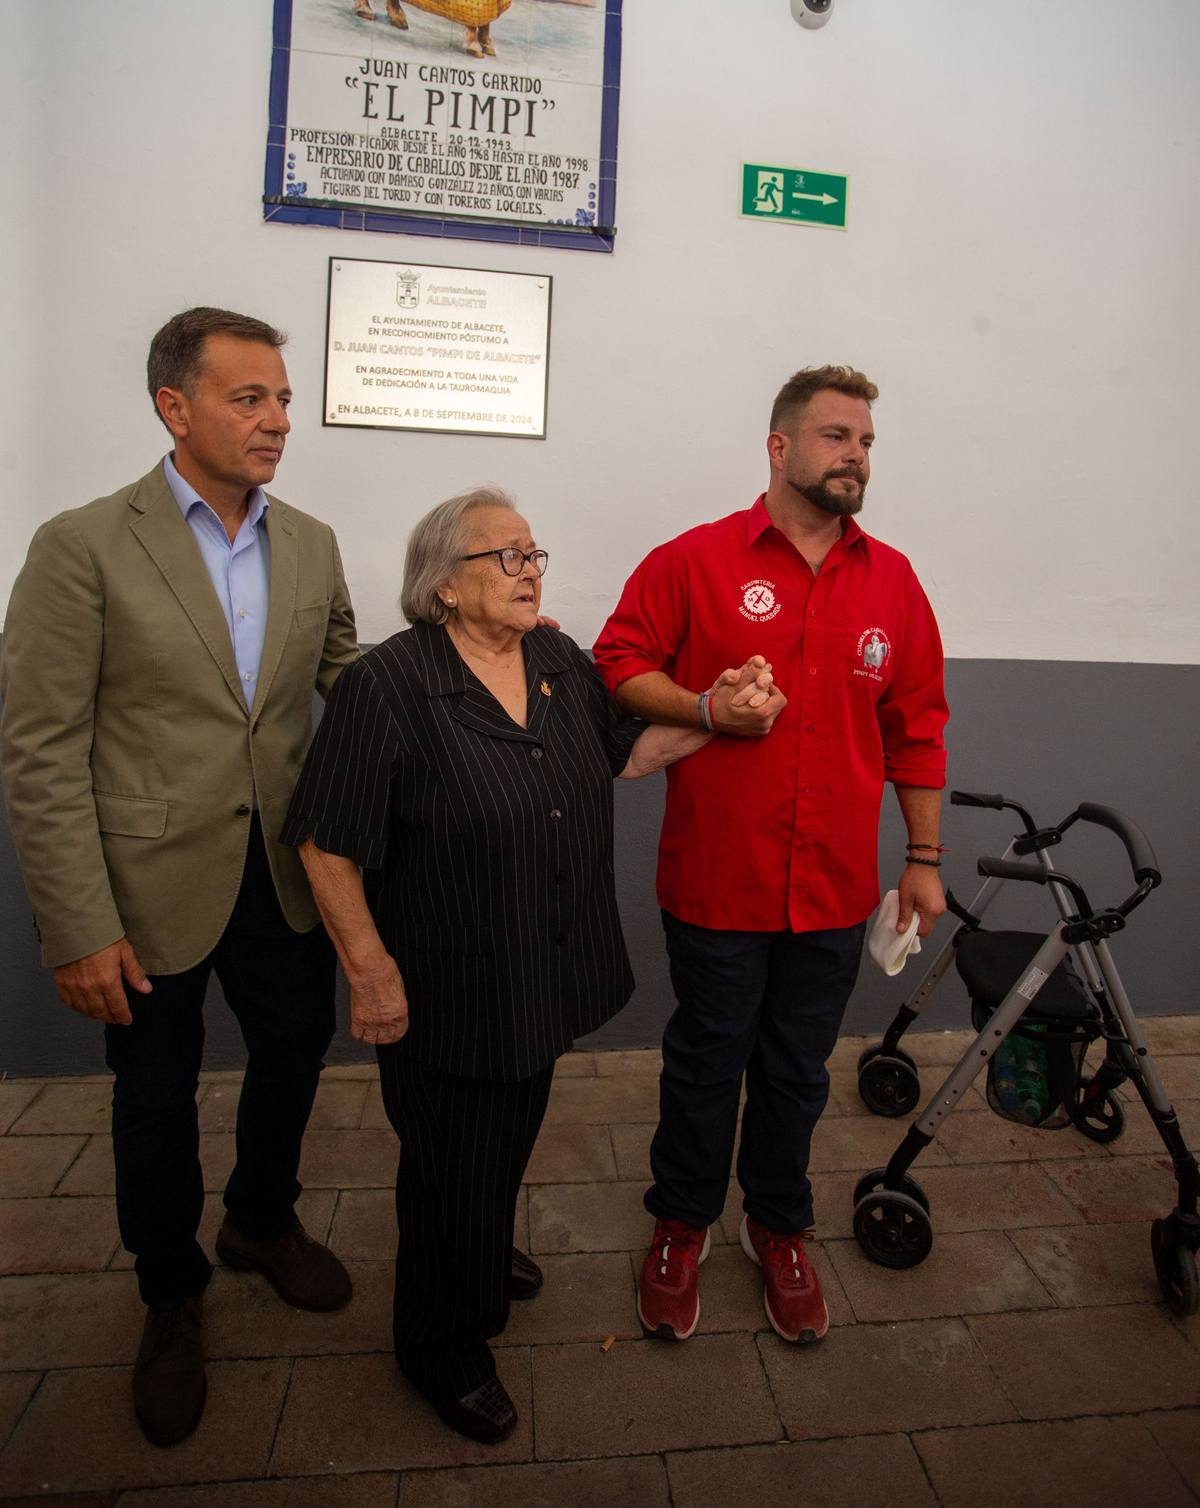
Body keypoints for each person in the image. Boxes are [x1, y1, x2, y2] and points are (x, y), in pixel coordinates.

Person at [281, 486, 763, 1445]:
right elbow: (324, 842)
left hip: (540, 970)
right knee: (447, 1167)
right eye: (504, 556)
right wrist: (368, 968)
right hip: (449, 983)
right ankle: (442, 1346)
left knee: (502, 1140)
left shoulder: (552, 657)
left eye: (534, 552)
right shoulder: (390, 685)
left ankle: (480, 1246)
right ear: (443, 586)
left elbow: (625, 755)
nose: (530, 569)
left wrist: (723, 713)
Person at [0, 308, 359, 1446]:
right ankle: (169, 1292)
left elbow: (348, 680)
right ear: (176, 407)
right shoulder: (83, 544)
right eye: (250, 398)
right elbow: (41, 746)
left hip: (282, 871)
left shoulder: (311, 542)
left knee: (297, 1051)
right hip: (145, 886)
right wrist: (74, 925)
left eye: (284, 400)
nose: (277, 421)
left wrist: (489, 676)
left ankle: (259, 1219)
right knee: (153, 1096)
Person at [592, 364, 949, 1346]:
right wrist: (706, 705)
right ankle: (681, 1221)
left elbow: (917, 727)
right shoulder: (695, 561)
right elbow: (617, 664)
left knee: (798, 1069)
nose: (856, 456)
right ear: (780, 446)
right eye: (837, 436)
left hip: (833, 886)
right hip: (718, 876)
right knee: (706, 1060)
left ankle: (778, 1222)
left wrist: (922, 855)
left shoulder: (893, 580)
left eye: (867, 441)